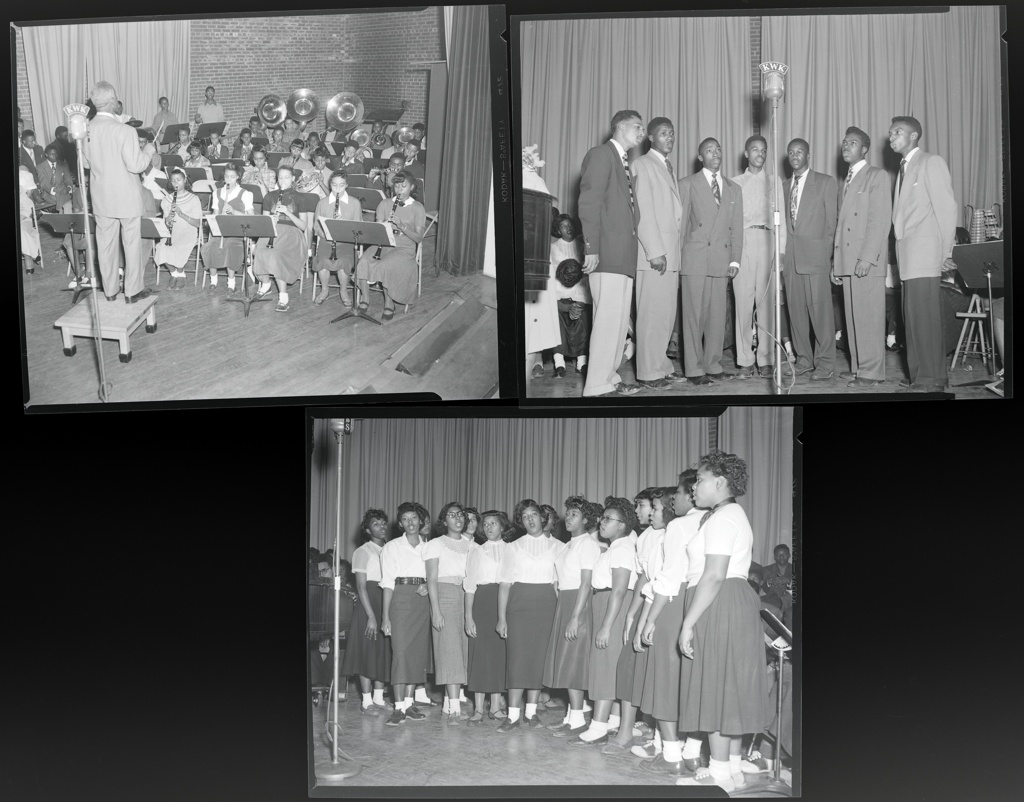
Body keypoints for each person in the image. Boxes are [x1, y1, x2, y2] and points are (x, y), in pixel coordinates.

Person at [676, 451, 772, 793]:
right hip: (732, 599)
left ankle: (718, 775)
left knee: (716, 684)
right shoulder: (731, 514)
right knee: (728, 685)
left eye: (699, 480)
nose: (694, 487)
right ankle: (731, 767)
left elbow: (714, 575)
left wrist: (687, 623)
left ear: (719, 482)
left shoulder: (722, 518)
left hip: (721, 600)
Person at [635, 471, 704, 772]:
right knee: (695, 681)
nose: (673, 498)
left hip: (675, 603)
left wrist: (650, 619)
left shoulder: (679, 525)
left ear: (691, 494)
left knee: (665, 680)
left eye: (676, 492)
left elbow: (669, 576)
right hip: (702, 603)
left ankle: (673, 755)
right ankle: (694, 751)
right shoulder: (711, 520)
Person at [578, 110, 644, 396]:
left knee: (618, 324)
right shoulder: (601, 154)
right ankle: (595, 386)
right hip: (605, 255)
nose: (642, 133)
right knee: (607, 322)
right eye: (637, 127)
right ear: (620, 126)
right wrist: (591, 248)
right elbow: (589, 202)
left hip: (623, 256)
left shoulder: (623, 162)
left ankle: (610, 378)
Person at [889, 115, 957, 392]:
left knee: (925, 319)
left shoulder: (931, 162)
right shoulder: (903, 169)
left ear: (914, 135)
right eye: (891, 133)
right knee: (912, 320)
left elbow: (947, 209)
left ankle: (933, 378)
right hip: (907, 257)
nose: (891, 137)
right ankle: (918, 374)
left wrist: (945, 253)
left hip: (926, 255)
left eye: (897, 132)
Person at [568, 497, 639, 746]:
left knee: (605, 666)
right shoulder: (615, 548)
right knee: (608, 665)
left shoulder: (621, 549)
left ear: (622, 525)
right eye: (602, 517)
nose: (602, 521)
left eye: (608, 518)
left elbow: (619, 590)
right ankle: (612, 722)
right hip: (606, 604)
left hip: (613, 607)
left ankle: (598, 727)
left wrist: (607, 626)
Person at [678, 137, 744, 385]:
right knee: (693, 317)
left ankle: (713, 365)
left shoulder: (733, 188)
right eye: (709, 150)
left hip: (721, 258)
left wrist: (735, 259)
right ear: (700, 156)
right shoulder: (687, 184)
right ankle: (694, 369)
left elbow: (737, 227)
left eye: (718, 149)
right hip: (694, 258)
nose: (715, 153)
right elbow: (681, 226)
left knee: (717, 317)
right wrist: (678, 260)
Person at [609, 486, 670, 754]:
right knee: (629, 666)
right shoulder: (646, 536)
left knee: (655, 672)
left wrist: (643, 615)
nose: (638, 511)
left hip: (661, 605)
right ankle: (628, 729)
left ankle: (654, 735)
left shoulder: (669, 534)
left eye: (643, 506)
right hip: (646, 603)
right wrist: (632, 614)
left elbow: (658, 581)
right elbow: (643, 579)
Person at [831, 126, 893, 387]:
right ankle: (858, 366)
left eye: (853, 143)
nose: (846, 146)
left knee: (868, 317)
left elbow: (880, 221)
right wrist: (836, 263)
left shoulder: (876, 176)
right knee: (853, 318)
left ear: (865, 149)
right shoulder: (847, 180)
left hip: (865, 261)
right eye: (845, 142)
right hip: (848, 260)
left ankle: (871, 371)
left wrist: (867, 258)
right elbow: (840, 225)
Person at [495, 499, 565, 732]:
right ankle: (512, 716)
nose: (530, 519)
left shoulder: (558, 546)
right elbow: (504, 584)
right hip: (519, 604)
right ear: (520, 521)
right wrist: (502, 618)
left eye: (533, 514)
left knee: (538, 661)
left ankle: (531, 713)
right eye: (524, 516)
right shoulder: (512, 547)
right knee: (517, 660)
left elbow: (558, 584)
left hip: (546, 605)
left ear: (542, 517)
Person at [82, 81, 155, 303]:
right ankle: (132, 292)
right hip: (126, 198)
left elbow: (85, 164)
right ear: (113, 100)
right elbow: (136, 165)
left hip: (102, 198)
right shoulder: (125, 130)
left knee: (105, 246)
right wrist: (149, 150)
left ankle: (110, 291)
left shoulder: (86, 129)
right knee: (131, 244)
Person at [632, 117, 685, 389]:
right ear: (650, 137)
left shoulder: (665, 166)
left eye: (672, 133)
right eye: (664, 133)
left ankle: (662, 366)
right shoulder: (642, 164)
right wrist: (655, 251)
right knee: (652, 315)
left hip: (669, 256)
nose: (670, 137)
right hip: (655, 256)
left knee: (665, 315)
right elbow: (642, 211)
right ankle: (648, 372)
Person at [544, 495, 602, 738]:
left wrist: (575, 616)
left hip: (578, 603)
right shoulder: (568, 544)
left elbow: (586, 583)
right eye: (567, 514)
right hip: (565, 603)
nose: (568, 518)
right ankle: (571, 716)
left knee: (574, 662)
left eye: (574, 514)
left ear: (585, 520)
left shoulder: (588, 544)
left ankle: (578, 720)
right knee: (566, 661)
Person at [782, 137, 839, 382]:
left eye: (800, 152)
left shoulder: (825, 183)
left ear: (808, 156)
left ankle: (825, 363)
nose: (795, 155)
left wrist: (828, 258)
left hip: (816, 259)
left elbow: (831, 224)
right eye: (791, 152)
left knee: (821, 314)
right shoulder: (784, 186)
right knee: (795, 313)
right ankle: (804, 359)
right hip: (791, 260)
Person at [731, 135, 787, 379]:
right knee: (743, 304)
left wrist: (780, 251)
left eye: (764, 150)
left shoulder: (775, 183)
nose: (760, 154)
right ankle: (744, 360)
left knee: (766, 305)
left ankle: (766, 358)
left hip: (767, 242)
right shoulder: (733, 183)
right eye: (755, 150)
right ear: (746, 153)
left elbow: (781, 222)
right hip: (742, 244)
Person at [423, 502, 478, 724]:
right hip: (444, 595)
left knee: (462, 649)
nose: (457, 518)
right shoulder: (436, 544)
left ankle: (448, 704)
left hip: (465, 595)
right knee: (449, 650)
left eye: (460, 515)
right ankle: (455, 709)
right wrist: (435, 610)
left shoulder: (472, 547)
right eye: (451, 515)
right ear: (444, 520)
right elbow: (431, 579)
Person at [381, 502, 432, 726]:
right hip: (400, 598)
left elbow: (437, 575)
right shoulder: (391, 547)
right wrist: (385, 617)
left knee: (416, 655)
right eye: (405, 519)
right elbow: (387, 584)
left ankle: (409, 704)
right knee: (400, 653)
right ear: (400, 523)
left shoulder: (429, 547)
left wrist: (429, 585)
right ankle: (398, 708)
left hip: (422, 602)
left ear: (421, 521)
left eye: (414, 518)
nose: (410, 522)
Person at [341, 509, 394, 715]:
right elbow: (361, 587)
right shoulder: (362, 552)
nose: (381, 527)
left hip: (386, 602)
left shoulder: (391, 549)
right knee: (366, 651)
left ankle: (379, 698)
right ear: (367, 529)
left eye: (383, 523)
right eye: (375, 524)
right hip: (368, 605)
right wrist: (371, 616)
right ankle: (366, 701)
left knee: (382, 650)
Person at [354, 170, 426, 320]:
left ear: (411, 188)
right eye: (397, 186)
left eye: (403, 186)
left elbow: (418, 238)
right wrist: (383, 226)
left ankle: (389, 303)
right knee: (363, 261)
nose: (399, 190)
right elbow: (376, 230)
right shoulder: (385, 203)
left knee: (386, 265)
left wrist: (401, 226)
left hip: (404, 247)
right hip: (383, 242)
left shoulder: (418, 207)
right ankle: (365, 299)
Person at [464, 510, 512, 724]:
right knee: (480, 655)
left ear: (503, 527)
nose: (489, 527)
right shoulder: (476, 551)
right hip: (482, 604)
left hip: (506, 604)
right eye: (486, 524)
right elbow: (470, 587)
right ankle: (478, 708)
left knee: (500, 656)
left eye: (494, 523)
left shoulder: (513, 550)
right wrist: (468, 616)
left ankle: (495, 707)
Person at [251, 165, 314, 312]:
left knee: (277, 254)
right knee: (258, 252)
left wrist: (288, 213)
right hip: (271, 231)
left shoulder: (300, 197)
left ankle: (283, 296)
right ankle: (266, 284)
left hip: (292, 234)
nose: (283, 180)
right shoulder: (270, 196)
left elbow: (303, 226)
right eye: (280, 177)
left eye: (286, 177)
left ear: (293, 179)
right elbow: (264, 220)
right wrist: (271, 219)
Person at [202, 162, 254, 293]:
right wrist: (219, 216)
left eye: (232, 177)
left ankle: (231, 282)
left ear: (238, 177)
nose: (228, 180)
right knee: (211, 248)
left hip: (237, 232)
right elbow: (214, 214)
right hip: (219, 231)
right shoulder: (217, 193)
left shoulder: (245, 193)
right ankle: (213, 280)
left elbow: (251, 218)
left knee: (231, 249)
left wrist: (234, 212)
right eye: (226, 176)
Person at [312, 169, 361, 306]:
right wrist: (327, 232)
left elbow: (358, 228)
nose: (337, 189)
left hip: (346, 242)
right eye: (334, 185)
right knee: (322, 261)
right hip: (326, 240)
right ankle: (325, 289)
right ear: (330, 185)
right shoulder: (322, 203)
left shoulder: (354, 203)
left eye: (341, 185)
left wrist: (342, 224)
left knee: (344, 261)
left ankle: (343, 291)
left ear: (346, 185)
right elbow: (316, 227)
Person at [154, 168, 202, 290]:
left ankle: (181, 274)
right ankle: (174, 273)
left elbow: (197, 223)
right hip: (172, 231)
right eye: (173, 180)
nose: (176, 183)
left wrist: (181, 214)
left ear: (185, 180)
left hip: (188, 230)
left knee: (179, 247)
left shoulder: (193, 198)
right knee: (161, 248)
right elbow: (165, 223)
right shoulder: (166, 200)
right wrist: (168, 219)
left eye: (179, 180)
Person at [37, 144, 74, 213]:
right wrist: (54, 190)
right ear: (46, 155)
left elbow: (68, 179)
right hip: (49, 192)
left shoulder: (63, 164)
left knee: (64, 196)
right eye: (51, 154)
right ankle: (63, 213)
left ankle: (62, 213)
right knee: (62, 198)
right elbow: (44, 183)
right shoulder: (40, 167)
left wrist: (68, 188)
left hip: (63, 190)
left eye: (56, 153)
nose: (54, 156)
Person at [19, 167, 41, 274]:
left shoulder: (22, 194)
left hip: (23, 220)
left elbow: (27, 210)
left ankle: (29, 261)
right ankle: (34, 253)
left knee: (21, 232)